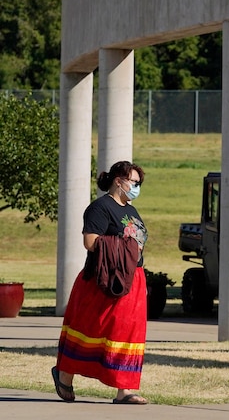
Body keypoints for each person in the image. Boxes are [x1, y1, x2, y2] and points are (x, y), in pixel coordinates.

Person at [52, 160, 150, 405]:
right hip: (105, 279)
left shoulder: (131, 210)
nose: (137, 187)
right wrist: (124, 246)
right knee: (91, 329)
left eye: (139, 183)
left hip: (132, 278)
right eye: (134, 182)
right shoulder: (100, 207)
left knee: (128, 332)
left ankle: (124, 390)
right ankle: (64, 375)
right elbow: (90, 241)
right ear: (119, 181)